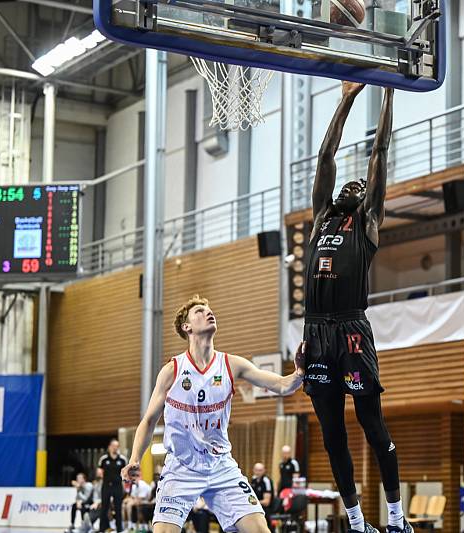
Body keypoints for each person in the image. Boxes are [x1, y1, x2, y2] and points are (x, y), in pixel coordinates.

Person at [302, 81, 407, 533]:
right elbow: (326, 156)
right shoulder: (321, 216)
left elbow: (379, 153)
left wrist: (388, 91)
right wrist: (347, 98)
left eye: (362, 184)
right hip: (316, 332)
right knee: (331, 434)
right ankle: (358, 522)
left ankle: (397, 518)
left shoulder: (366, 221)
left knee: (370, 421)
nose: (354, 182)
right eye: (351, 182)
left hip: (349, 332)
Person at [120, 295, 306, 533]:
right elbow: (148, 421)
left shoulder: (231, 364)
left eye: (209, 310)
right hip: (181, 468)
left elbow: (281, 385)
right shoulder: (172, 370)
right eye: (199, 311)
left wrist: (299, 371)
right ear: (187, 327)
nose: (208, 313)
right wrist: (135, 457)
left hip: (220, 465)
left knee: (260, 531)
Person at [99, 439, 128, 533]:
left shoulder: (122, 459)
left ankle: (119, 529)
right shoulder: (104, 459)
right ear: (109, 447)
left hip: (117, 486)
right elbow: (99, 471)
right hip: (106, 486)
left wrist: (124, 485)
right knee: (104, 507)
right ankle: (102, 529)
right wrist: (100, 475)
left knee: (118, 507)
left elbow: (125, 473)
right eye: (113, 445)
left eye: (117, 446)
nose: (115, 447)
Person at [250, 463, 274, 529]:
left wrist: (253, 502)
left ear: (264, 471)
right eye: (256, 470)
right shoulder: (253, 479)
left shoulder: (266, 481)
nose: (258, 472)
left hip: (265, 509)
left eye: (260, 470)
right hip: (255, 507)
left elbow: (266, 502)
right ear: (253, 470)